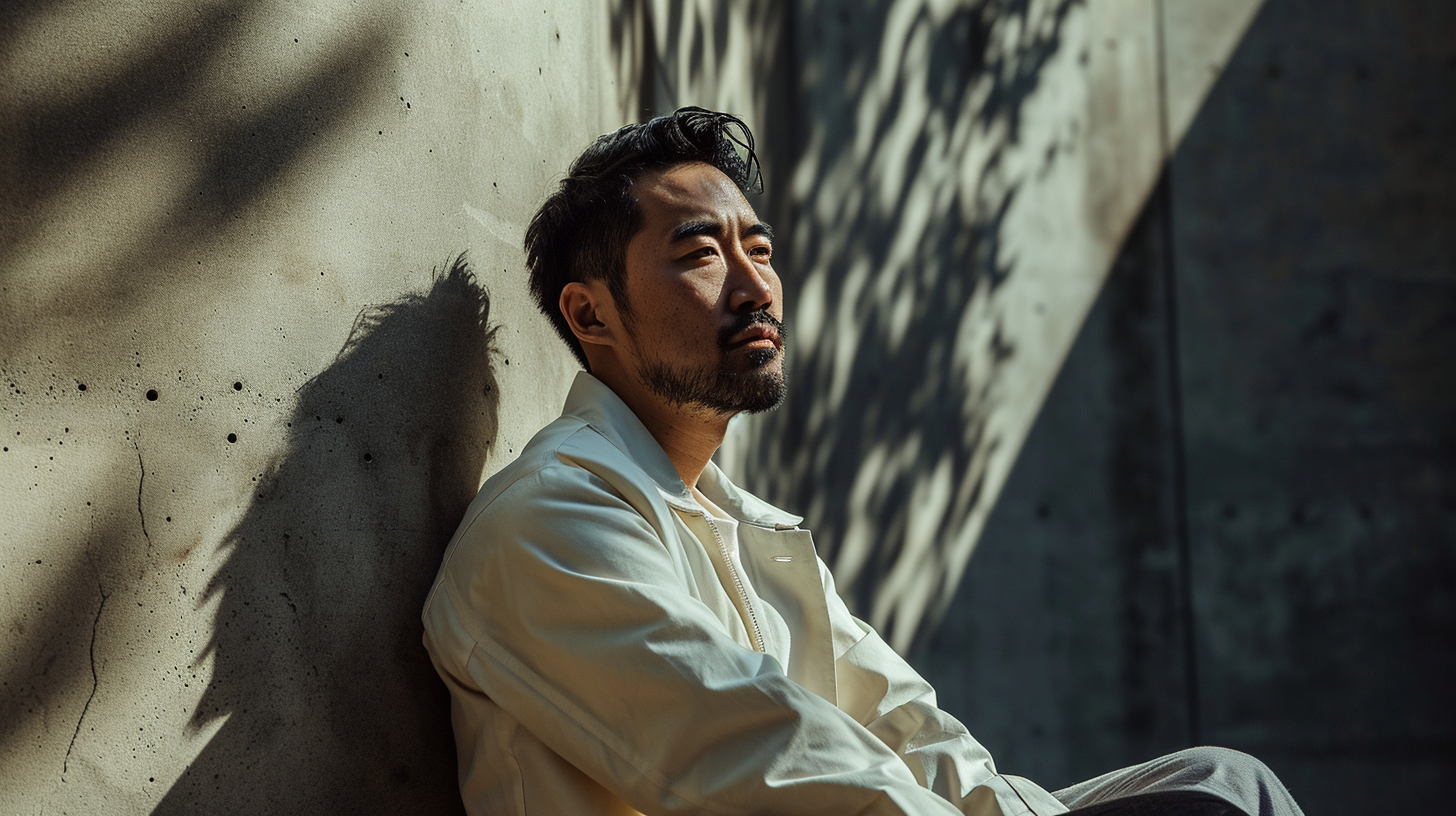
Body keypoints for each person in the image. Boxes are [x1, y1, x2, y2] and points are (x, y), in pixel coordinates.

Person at [421, 107, 1304, 816]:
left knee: (1219, 786)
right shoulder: (548, 522)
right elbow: (766, 761)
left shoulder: (748, 532)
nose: (755, 284)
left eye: (758, 250)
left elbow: (910, 732)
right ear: (591, 316)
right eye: (700, 253)